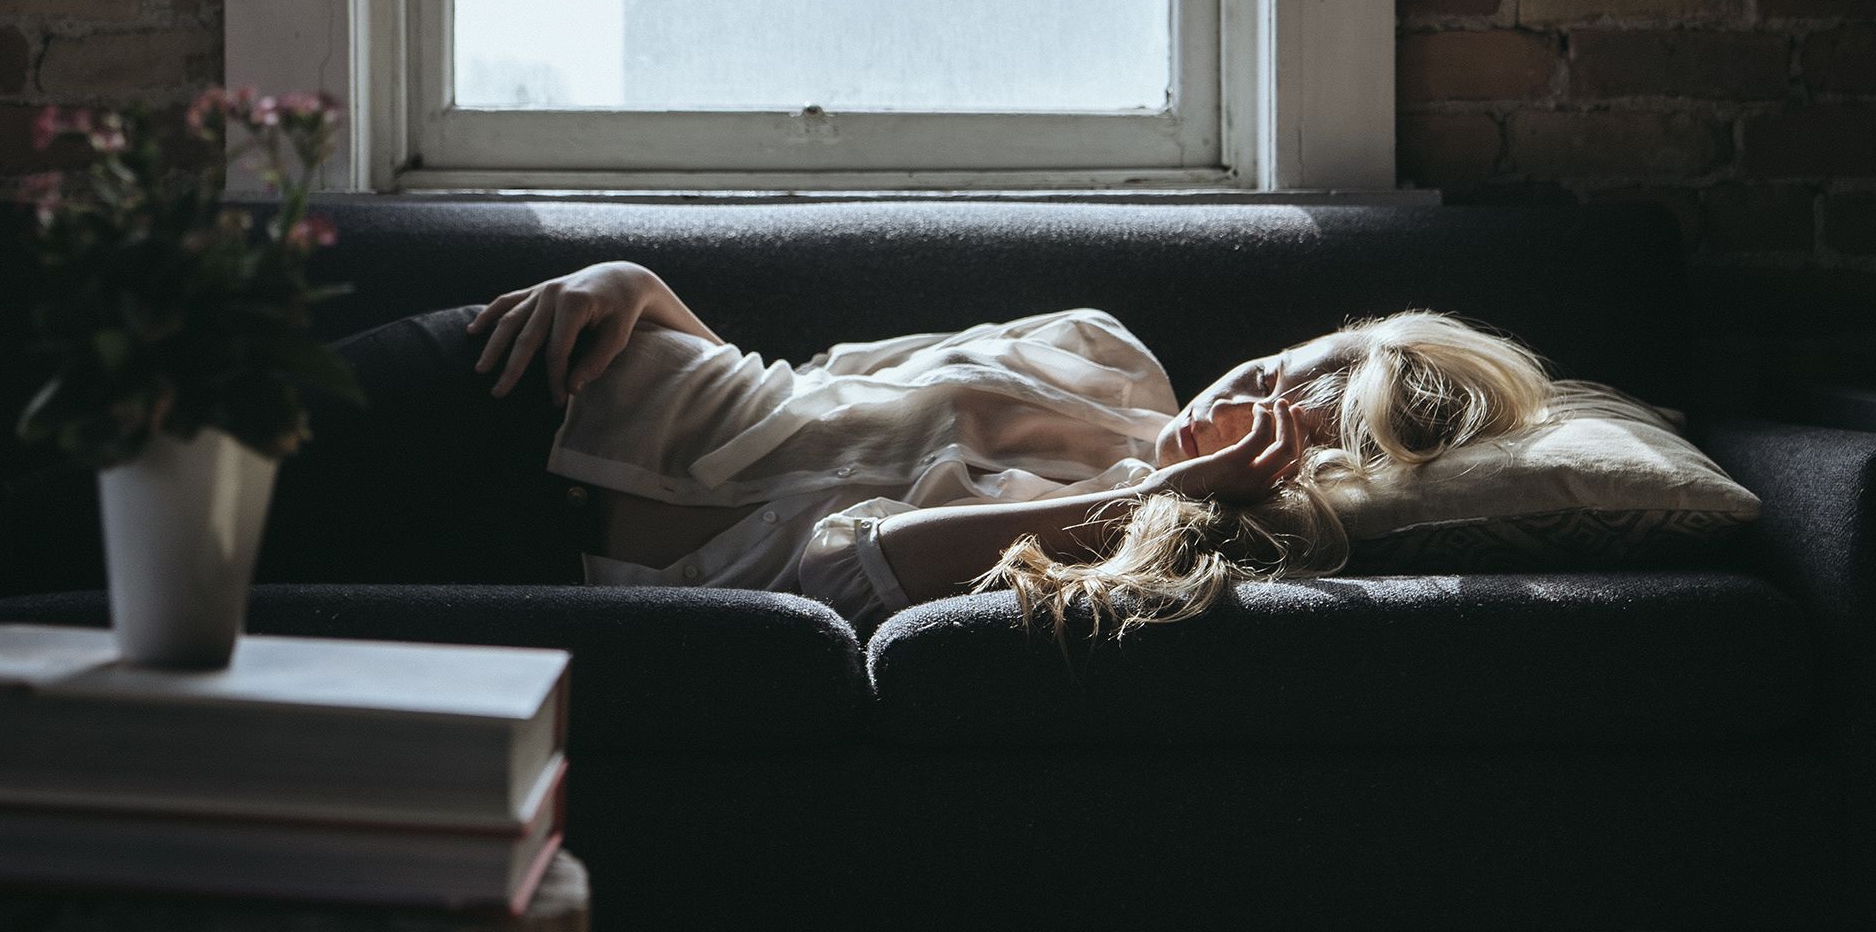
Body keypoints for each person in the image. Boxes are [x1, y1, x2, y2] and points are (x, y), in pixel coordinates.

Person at [425, 259, 1556, 635]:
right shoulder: (1099, 349)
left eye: (1294, 414)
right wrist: (634, 286)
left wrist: (1168, 494)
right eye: (1284, 361)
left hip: (534, 569)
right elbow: (806, 386)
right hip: (538, 378)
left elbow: (838, 563)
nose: (1251, 385)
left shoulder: (1146, 550)